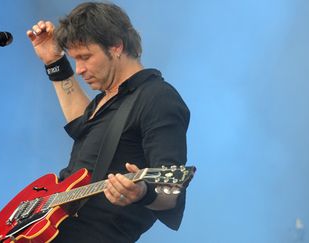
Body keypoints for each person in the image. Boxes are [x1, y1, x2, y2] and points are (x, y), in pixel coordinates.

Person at [26, 2, 190, 242]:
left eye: (85, 57)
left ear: (116, 46)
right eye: (75, 59)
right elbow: (85, 126)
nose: (79, 69)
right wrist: (54, 62)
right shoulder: (108, 99)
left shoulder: (158, 97)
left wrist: (142, 192)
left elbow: (172, 192)